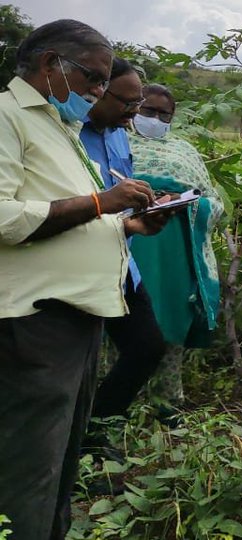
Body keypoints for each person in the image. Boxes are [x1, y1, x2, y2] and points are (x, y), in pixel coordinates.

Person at [0, 19, 170, 539]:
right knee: (30, 467)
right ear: (51, 64)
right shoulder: (9, 117)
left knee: (61, 462)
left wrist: (129, 223)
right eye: (92, 79)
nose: (98, 91)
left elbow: (75, 217)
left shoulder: (58, 125)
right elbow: (4, 218)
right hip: (36, 320)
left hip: (79, 315)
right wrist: (102, 202)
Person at [79, 58, 171, 431]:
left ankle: (96, 431)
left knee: (147, 346)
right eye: (128, 104)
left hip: (120, 263)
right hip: (77, 264)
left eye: (138, 105)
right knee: (79, 364)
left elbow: (121, 195)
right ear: (97, 90)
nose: (133, 114)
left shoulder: (118, 134)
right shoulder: (67, 135)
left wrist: (145, 211)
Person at [127, 83, 224, 404]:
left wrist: (185, 204)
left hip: (177, 253)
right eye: (148, 110)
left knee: (170, 321)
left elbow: (212, 200)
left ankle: (167, 401)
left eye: (163, 113)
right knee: (125, 327)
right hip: (130, 249)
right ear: (135, 108)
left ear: (173, 117)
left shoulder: (184, 150)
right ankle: (121, 404)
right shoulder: (116, 143)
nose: (155, 118)